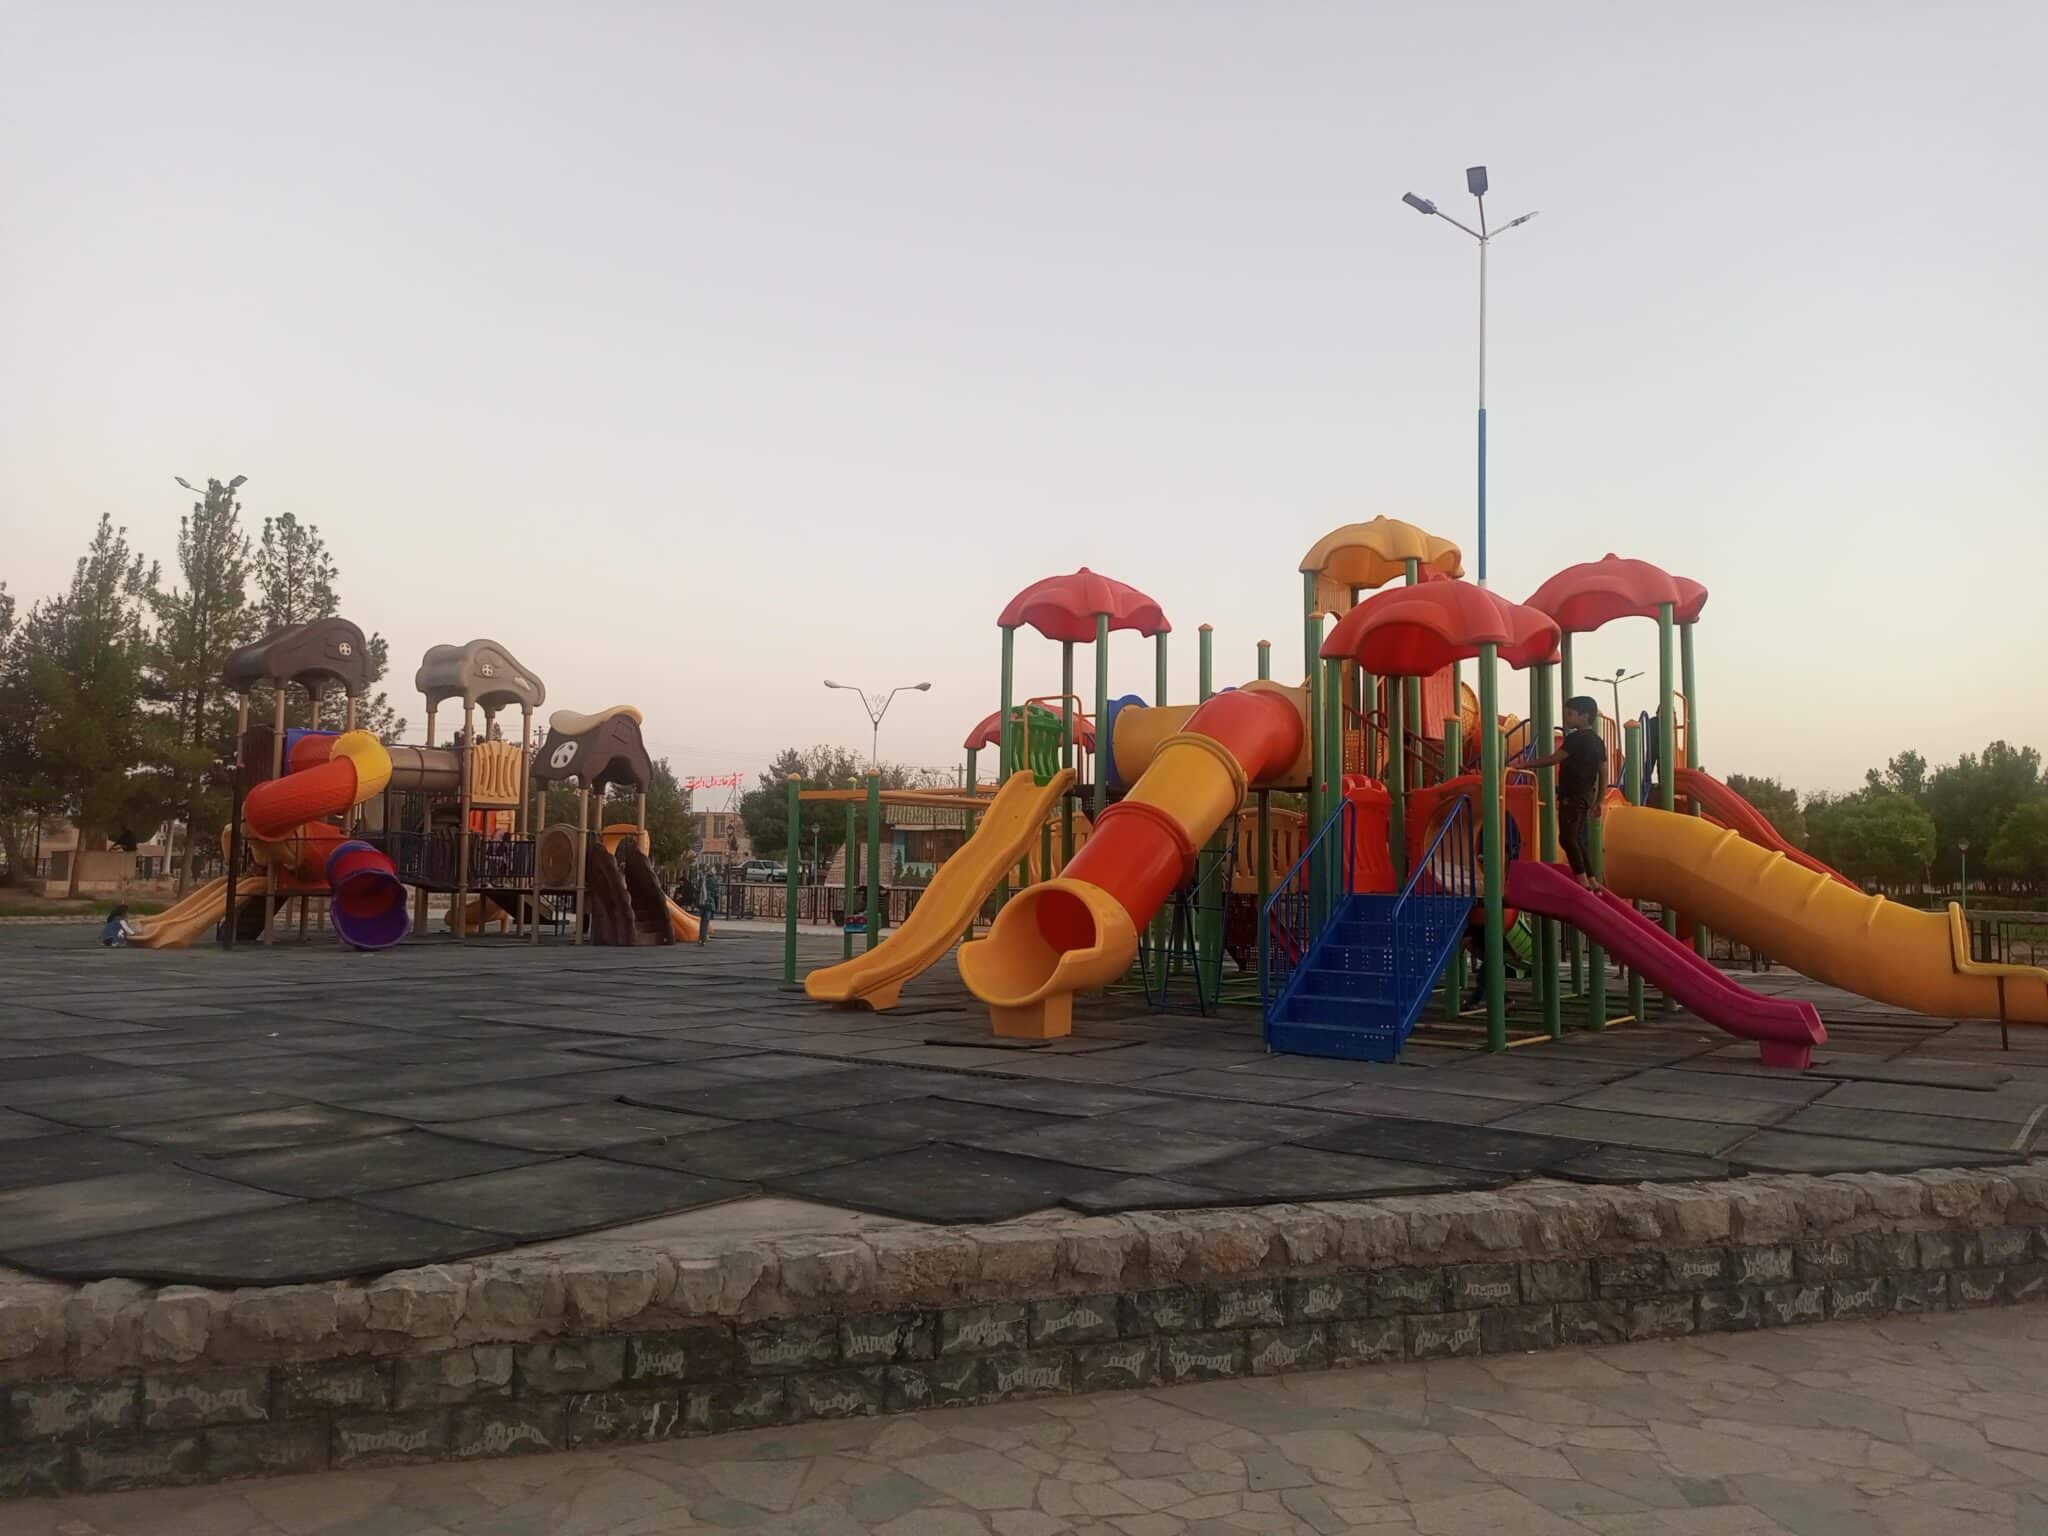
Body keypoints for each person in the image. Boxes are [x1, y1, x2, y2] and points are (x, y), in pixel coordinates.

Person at [1527, 695, 1608, 889]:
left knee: (1567, 838)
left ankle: (1583, 881)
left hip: (1571, 796)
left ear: (1584, 716)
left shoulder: (1575, 739)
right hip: (1586, 795)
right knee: (1576, 839)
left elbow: (1553, 759)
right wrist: (1599, 800)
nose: (1566, 718)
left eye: (1570, 714)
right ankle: (1592, 881)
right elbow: (1604, 773)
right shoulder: (1598, 741)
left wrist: (1526, 764)